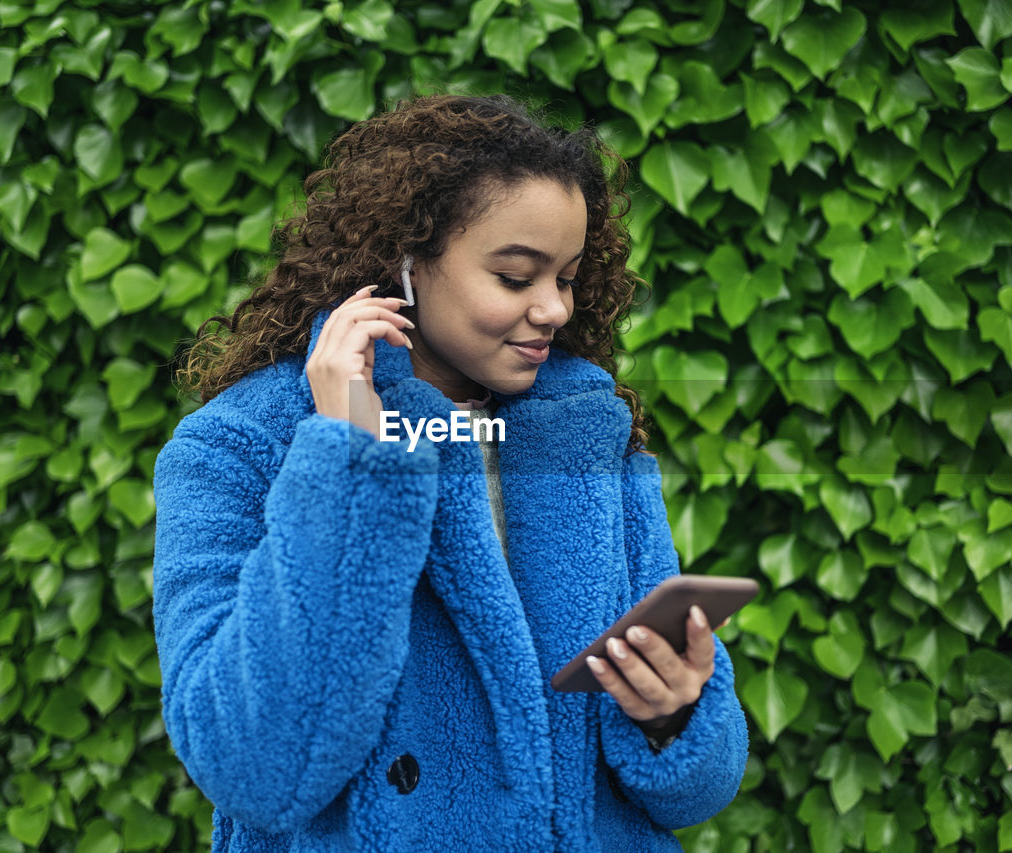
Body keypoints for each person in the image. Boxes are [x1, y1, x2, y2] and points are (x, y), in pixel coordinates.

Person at [152, 93, 748, 851]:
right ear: (406, 263)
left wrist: (675, 710)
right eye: (514, 276)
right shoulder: (240, 444)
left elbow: (698, 787)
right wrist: (346, 458)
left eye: (565, 277)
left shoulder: (586, 434)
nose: (555, 309)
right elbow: (248, 765)